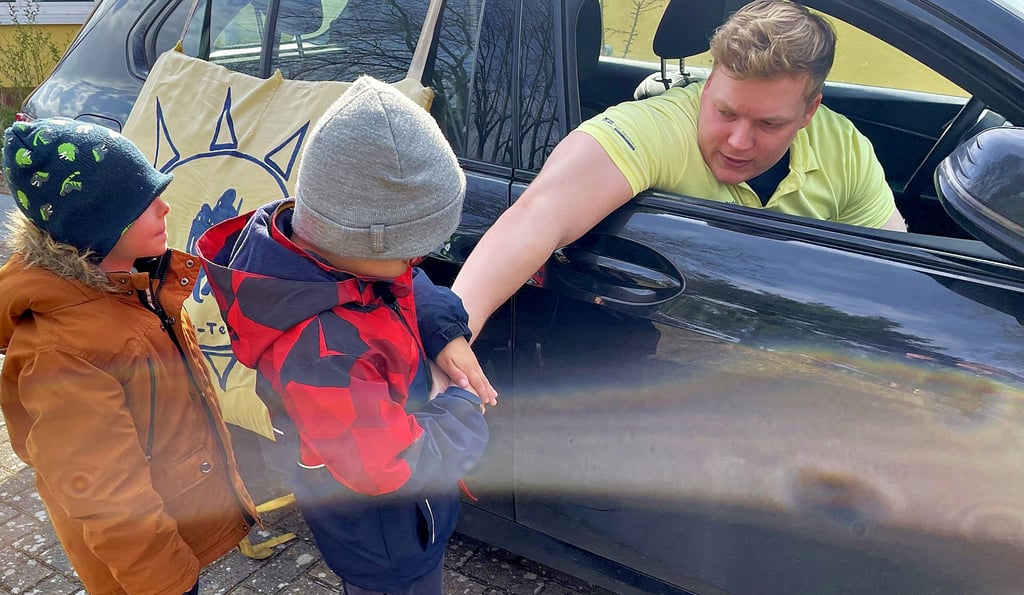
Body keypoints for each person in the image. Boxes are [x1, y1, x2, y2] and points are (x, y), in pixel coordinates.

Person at [449, 0, 908, 339]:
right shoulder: (660, 126)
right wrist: (451, 332)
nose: (738, 141)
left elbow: (897, 268)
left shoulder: (841, 143)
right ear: (709, 84)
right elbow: (536, 215)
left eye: (770, 123)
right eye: (725, 112)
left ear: (809, 112)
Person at [196, 76, 490, 595]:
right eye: (409, 249)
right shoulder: (323, 356)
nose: (417, 262)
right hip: (385, 543)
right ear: (360, 235)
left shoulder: (331, 259)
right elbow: (388, 467)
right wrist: (462, 411)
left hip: (403, 517)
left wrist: (444, 331)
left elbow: (407, 283)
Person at [0, 118, 258, 595]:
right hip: (145, 570)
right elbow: (105, 496)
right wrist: (165, 581)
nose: (163, 207)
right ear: (95, 225)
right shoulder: (65, 352)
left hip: (172, 524)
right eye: (142, 203)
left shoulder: (136, 284)